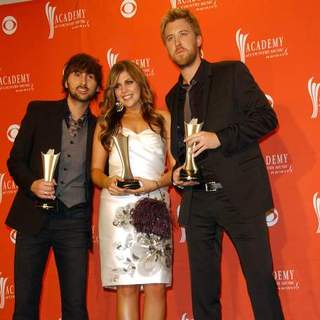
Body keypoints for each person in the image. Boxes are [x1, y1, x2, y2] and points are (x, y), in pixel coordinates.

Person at [160, 8, 284, 320]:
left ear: (199, 39)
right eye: (170, 38)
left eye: (183, 34)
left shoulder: (231, 73)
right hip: (198, 200)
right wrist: (177, 175)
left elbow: (267, 118)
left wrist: (220, 138)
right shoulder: (172, 96)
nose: (178, 43)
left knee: (260, 286)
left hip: (239, 196)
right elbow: (179, 150)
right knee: (203, 295)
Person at [5, 53, 103, 320]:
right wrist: (32, 184)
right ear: (66, 79)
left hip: (74, 220)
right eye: (77, 74)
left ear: (97, 86)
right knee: (25, 303)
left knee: (75, 306)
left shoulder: (101, 128)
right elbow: (15, 161)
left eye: (90, 76)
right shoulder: (39, 111)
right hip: (34, 216)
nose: (83, 81)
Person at [91, 60, 175, 320]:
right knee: (125, 286)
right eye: (117, 86)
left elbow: (176, 169)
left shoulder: (163, 118)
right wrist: (107, 182)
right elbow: (95, 171)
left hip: (154, 203)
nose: (124, 90)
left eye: (128, 82)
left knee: (156, 284)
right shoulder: (106, 122)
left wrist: (156, 183)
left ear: (140, 83)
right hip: (118, 208)